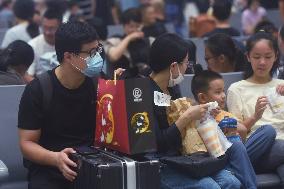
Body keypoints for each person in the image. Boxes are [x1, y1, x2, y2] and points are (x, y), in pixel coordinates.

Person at [148, 33, 241, 189]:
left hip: (185, 158)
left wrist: (204, 114)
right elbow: (158, 144)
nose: (187, 67)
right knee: (210, 187)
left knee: (232, 182)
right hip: (162, 164)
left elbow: (186, 129)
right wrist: (188, 116)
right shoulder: (144, 93)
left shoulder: (172, 88)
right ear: (173, 66)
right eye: (186, 63)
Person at [18, 21, 104, 188]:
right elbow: (26, 143)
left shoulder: (99, 83)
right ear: (69, 56)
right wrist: (56, 158)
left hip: (94, 164)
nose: (98, 57)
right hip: (49, 168)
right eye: (91, 52)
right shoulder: (38, 90)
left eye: (98, 49)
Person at [191, 68, 279, 188]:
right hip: (215, 160)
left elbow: (242, 133)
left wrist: (254, 117)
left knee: (268, 130)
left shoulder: (224, 114)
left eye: (223, 91)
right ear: (202, 98)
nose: (223, 96)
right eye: (218, 92)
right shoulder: (194, 115)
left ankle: (234, 168)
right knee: (235, 143)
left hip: (236, 156)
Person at [227, 31, 284, 172]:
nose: (262, 62)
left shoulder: (281, 85)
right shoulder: (237, 89)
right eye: (257, 57)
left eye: (268, 56)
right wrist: (255, 116)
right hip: (255, 151)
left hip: (279, 152)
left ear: (276, 56)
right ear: (248, 57)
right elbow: (235, 134)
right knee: (269, 132)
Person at [105, 8, 152, 76]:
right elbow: (113, 57)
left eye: (138, 26)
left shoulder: (149, 41)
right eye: (131, 26)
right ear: (124, 26)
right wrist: (129, 38)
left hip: (144, 82)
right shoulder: (114, 40)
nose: (135, 30)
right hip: (120, 83)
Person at [25, 8, 62, 81]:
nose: (47, 32)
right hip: (41, 86)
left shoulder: (68, 44)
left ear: (60, 27)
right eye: (44, 27)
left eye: (51, 28)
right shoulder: (32, 45)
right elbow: (27, 75)